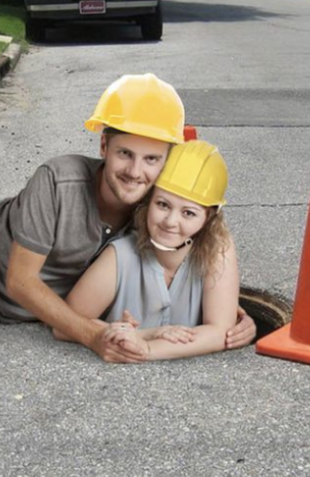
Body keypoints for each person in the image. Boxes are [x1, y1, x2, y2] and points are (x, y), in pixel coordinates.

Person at [0, 73, 254, 356]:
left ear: (166, 161)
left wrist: (234, 312)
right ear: (104, 145)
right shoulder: (59, 180)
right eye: (125, 153)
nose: (134, 171)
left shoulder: (157, 206)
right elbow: (21, 281)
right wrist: (93, 335)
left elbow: (190, 250)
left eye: (151, 159)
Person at [59, 140, 243, 363]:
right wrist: (138, 334)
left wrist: (146, 348)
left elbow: (220, 332)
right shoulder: (120, 257)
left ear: (209, 218)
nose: (170, 222)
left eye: (188, 213)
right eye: (163, 205)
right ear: (148, 202)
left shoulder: (218, 248)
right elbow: (65, 326)